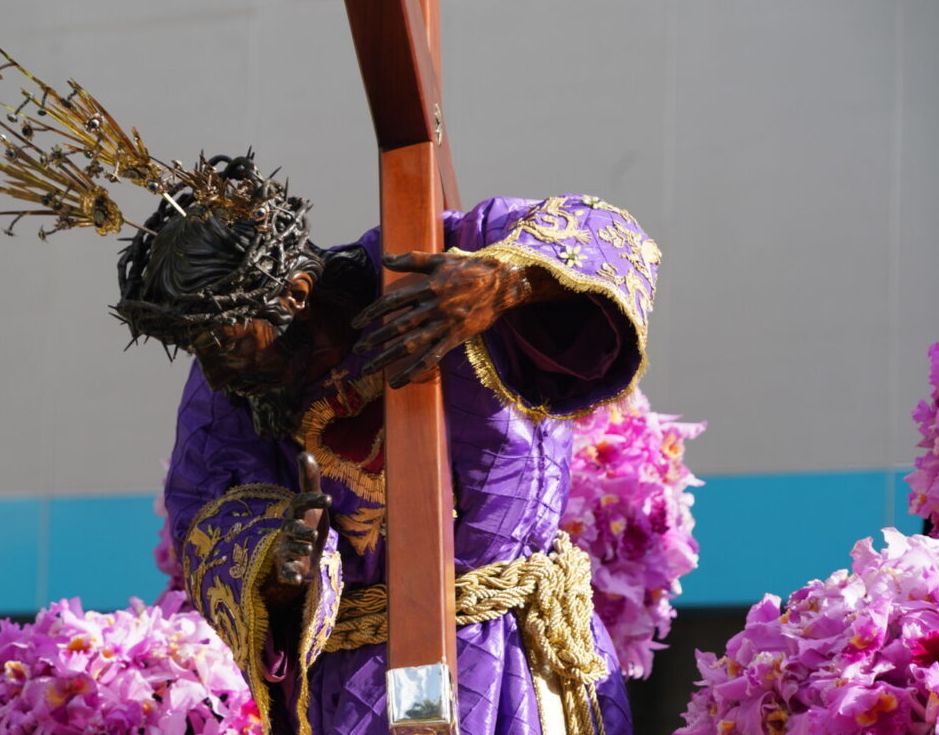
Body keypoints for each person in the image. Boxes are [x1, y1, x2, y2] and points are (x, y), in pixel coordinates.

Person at [117, 154, 659, 735]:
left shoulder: (439, 255)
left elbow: (613, 236)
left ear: (296, 293)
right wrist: (277, 564)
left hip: (523, 659)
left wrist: (506, 283)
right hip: (357, 689)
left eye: (226, 345)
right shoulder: (231, 386)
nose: (216, 374)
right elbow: (206, 511)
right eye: (196, 351)